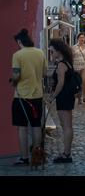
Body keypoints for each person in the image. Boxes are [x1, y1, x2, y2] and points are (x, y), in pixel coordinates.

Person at [11, 29, 47, 165]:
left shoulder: (17, 55)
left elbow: (16, 75)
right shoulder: (40, 53)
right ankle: (36, 157)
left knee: (22, 128)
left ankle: (24, 157)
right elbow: (44, 73)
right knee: (36, 126)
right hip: (37, 95)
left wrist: (13, 81)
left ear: (19, 41)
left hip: (21, 96)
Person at [49, 39, 75, 163]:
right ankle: (67, 152)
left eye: (52, 51)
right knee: (68, 125)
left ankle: (66, 154)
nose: (51, 54)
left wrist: (53, 96)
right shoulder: (68, 63)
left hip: (63, 96)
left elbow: (60, 83)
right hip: (68, 96)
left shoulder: (61, 65)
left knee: (66, 126)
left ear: (58, 51)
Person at [72, 33, 85, 104]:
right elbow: (71, 57)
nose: (82, 39)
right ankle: (78, 97)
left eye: (83, 37)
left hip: (84, 66)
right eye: (80, 37)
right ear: (78, 38)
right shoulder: (74, 47)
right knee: (77, 83)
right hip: (76, 67)